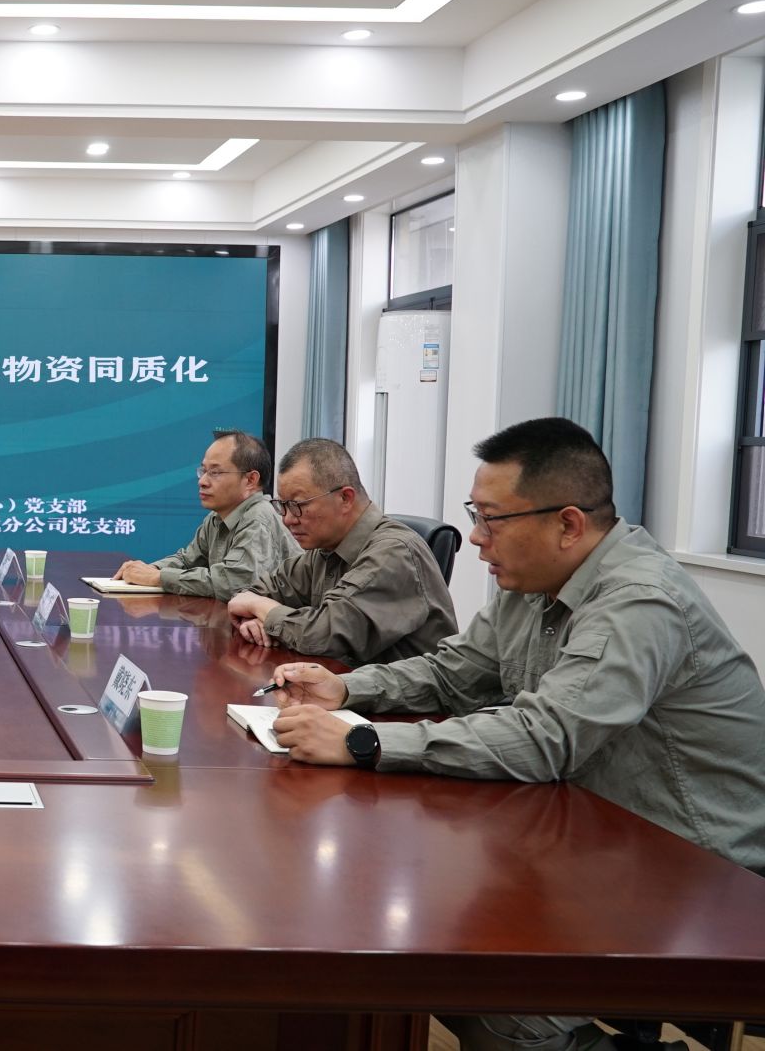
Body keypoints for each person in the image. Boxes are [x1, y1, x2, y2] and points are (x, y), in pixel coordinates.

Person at [270, 417, 765, 1051]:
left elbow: (545, 736)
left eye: (491, 520)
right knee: (431, 930)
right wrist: (346, 691)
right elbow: (455, 672)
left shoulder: (638, 602)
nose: (476, 538)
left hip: (694, 866)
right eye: (474, 515)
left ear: (568, 524)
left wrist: (363, 742)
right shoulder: (532, 583)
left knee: (488, 993)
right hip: (587, 827)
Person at [226, 437, 455, 666]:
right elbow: (256, 592)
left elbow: (324, 634)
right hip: (343, 682)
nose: (287, 519)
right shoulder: (326, 549)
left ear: (345, 498)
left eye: (298, 505)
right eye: (282, 506)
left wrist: (260, 609)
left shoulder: (394, 553)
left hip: (395, 689)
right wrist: (253, 618)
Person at [112, 428, 294, 600]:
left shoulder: (259, 518)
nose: (202, 481)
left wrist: (158, 577)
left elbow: (236, 584)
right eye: (203, 471)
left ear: (250, 480)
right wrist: (148, 569)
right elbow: (187, 560)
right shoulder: (216, 517)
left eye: (215, 472)